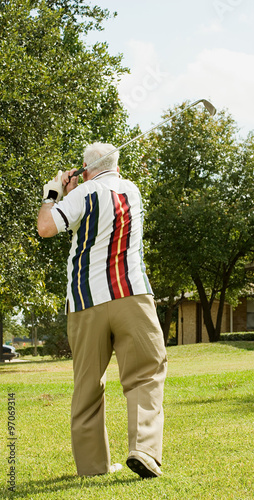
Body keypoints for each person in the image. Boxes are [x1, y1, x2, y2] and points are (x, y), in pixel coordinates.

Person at [37, 142, 167, 478]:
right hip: (132, 298)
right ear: (117, 165)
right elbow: (106, 194)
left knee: (87, 385)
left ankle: (93, 467)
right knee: (145, 375)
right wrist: (78, 186)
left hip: (84, 304)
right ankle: (145, 451)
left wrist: (52, 194)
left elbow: (46, 228)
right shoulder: (133, 192)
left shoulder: (80, 195)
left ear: (84, 168)